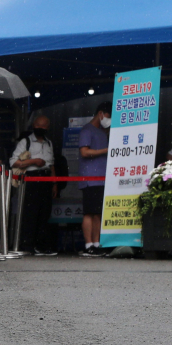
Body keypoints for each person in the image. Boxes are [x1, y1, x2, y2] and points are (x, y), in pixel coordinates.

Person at [10, 115, 57, 256]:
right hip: (31, 179)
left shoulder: (49, 143)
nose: (41, 129)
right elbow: (13, 162)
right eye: (38, 126)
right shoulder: (26, 142)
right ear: (33, 126)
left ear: (48, 128)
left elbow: (52, 164)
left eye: (44, 127)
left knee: (45, 214)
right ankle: (28, 245)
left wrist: (54, 183)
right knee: (30, 214)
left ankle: (41, 245)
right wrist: (33, 161)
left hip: (46, 179)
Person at [78, 102, 112, 257]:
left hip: (101, 178)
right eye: (108, 116)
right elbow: (84, 152)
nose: (109, 119)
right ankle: (88, 245)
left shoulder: (102, 132)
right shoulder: (87, 130)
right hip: (90, 178)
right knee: (89, 213)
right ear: (101, 114)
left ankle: (97, 244)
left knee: (97, 213)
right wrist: (106, 150)